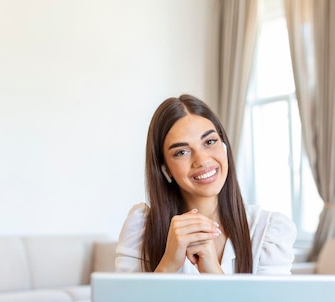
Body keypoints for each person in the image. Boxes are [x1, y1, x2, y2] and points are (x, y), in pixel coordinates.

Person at [115, 94, 296, 274]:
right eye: (182, 152)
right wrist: (168, 263)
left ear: (224, 146)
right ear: (165, 168)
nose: (202, 160)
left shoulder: (268, 232)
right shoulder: (141, 227)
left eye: (210, 142)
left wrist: (212, 270)